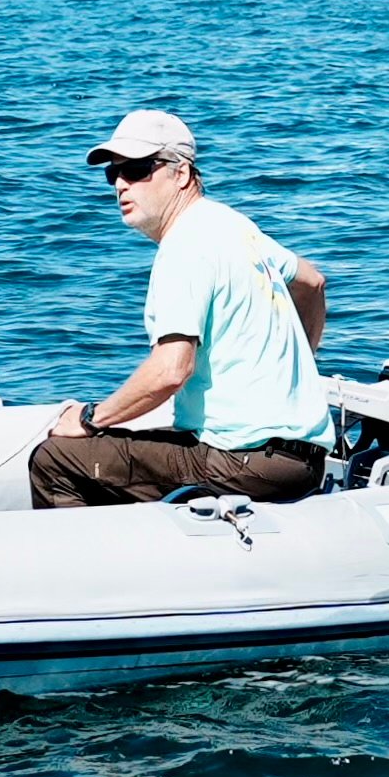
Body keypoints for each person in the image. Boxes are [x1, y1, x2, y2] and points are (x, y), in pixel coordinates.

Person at [31, 109, 332, 509]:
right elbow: (312, 281)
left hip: (242, 462)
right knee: (134, 452)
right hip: (304, 461)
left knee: (55, 460)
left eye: (138, 170)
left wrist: (90, 419)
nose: (121, 184)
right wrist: (299, 367)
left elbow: (171, 371)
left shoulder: (184, 245)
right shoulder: (234, 225)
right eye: (113, 174)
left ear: (182, 174)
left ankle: (93, 568)